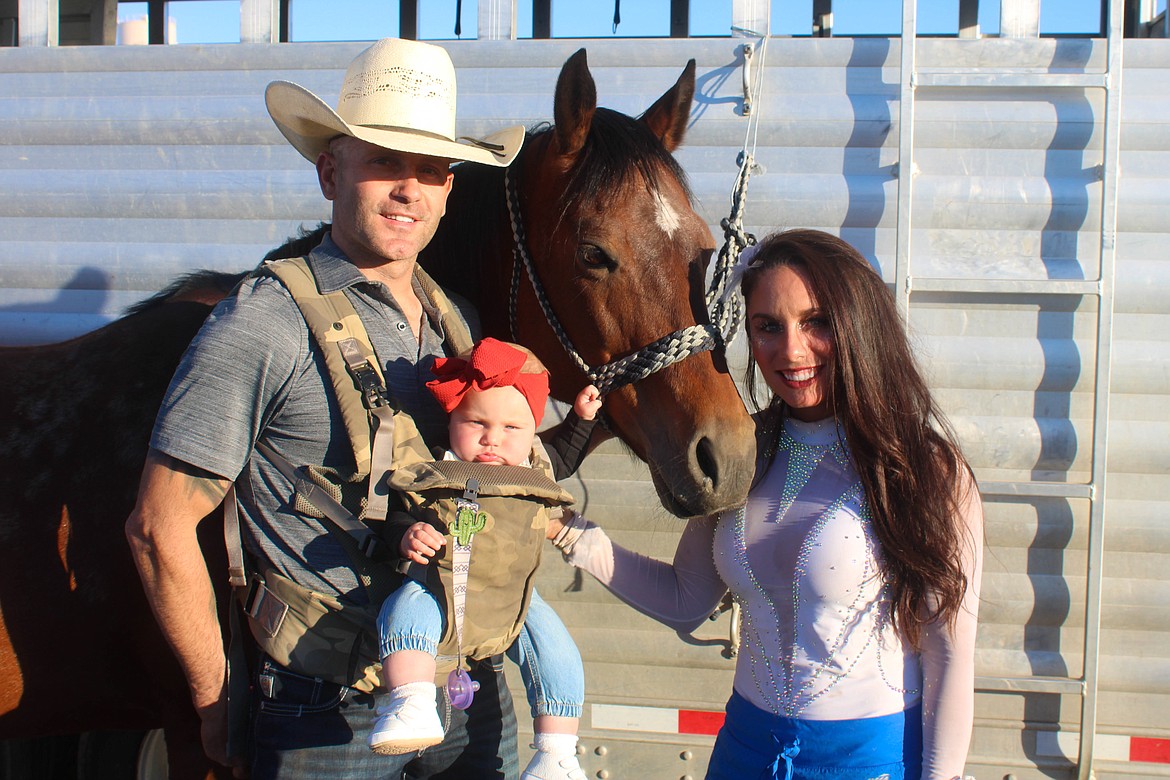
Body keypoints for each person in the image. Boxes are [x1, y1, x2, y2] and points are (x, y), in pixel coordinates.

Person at [126, 37, 537, 779]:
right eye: (384, 161)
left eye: (430, 170)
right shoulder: (264, 320)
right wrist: (216, 700)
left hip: (461, 683)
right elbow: (159, 528)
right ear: (329, 172)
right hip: (326, 705)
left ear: (450, 190)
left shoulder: (459, 322)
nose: (409, 189)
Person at [547, 229, 984, 780]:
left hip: (869, 761)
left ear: (859, 324)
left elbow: (949, 656)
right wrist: (567, 532)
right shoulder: (747, 451)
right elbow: (687, 597)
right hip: (743, 752)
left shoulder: (925, 468)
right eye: (768, 327)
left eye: (816, 321)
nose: (791, 349)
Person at [369, 338, 600, 780]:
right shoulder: (437, 470)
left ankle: (556, 752)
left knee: (554, 649)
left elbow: (565, 455)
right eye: (476, 422)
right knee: (406, 609)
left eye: (512, 429)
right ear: (451, 420)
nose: (493, 439)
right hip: (440, 586)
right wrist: (406, 535)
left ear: (532, 431)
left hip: (511, 597)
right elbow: (398, 515)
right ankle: (411, 701)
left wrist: (581, 417)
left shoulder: (531, 471)